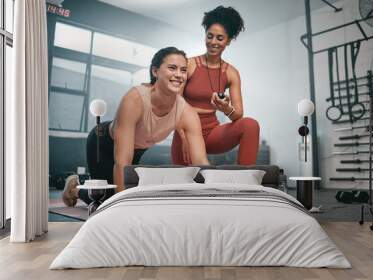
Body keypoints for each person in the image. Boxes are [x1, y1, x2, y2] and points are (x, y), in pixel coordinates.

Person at [62, 47, 209, 207]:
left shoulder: (186, 113)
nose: (179, 74)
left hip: (136, 150)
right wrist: (123, 208)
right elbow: (122, 162)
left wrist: (215, 193)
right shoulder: (135, 99)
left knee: (136, 193)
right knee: (108, 199)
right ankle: (75, 188)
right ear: (155, 71)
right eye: (172, 68)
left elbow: (201, 161)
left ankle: (89, 187)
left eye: (183, 70)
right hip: (103, 142)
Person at [171, 6, 260, 166]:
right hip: (186, 131)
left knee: (250, 125)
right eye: (210, 36)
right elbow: (174, 103)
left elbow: (237, 114)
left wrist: (226, 108)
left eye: (220, 38)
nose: (213, 42)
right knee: (188, 183)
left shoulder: (231, 73)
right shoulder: (189, 64)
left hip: (212, 132)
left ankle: (246, 181)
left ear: (228, 41)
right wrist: (182, 136)